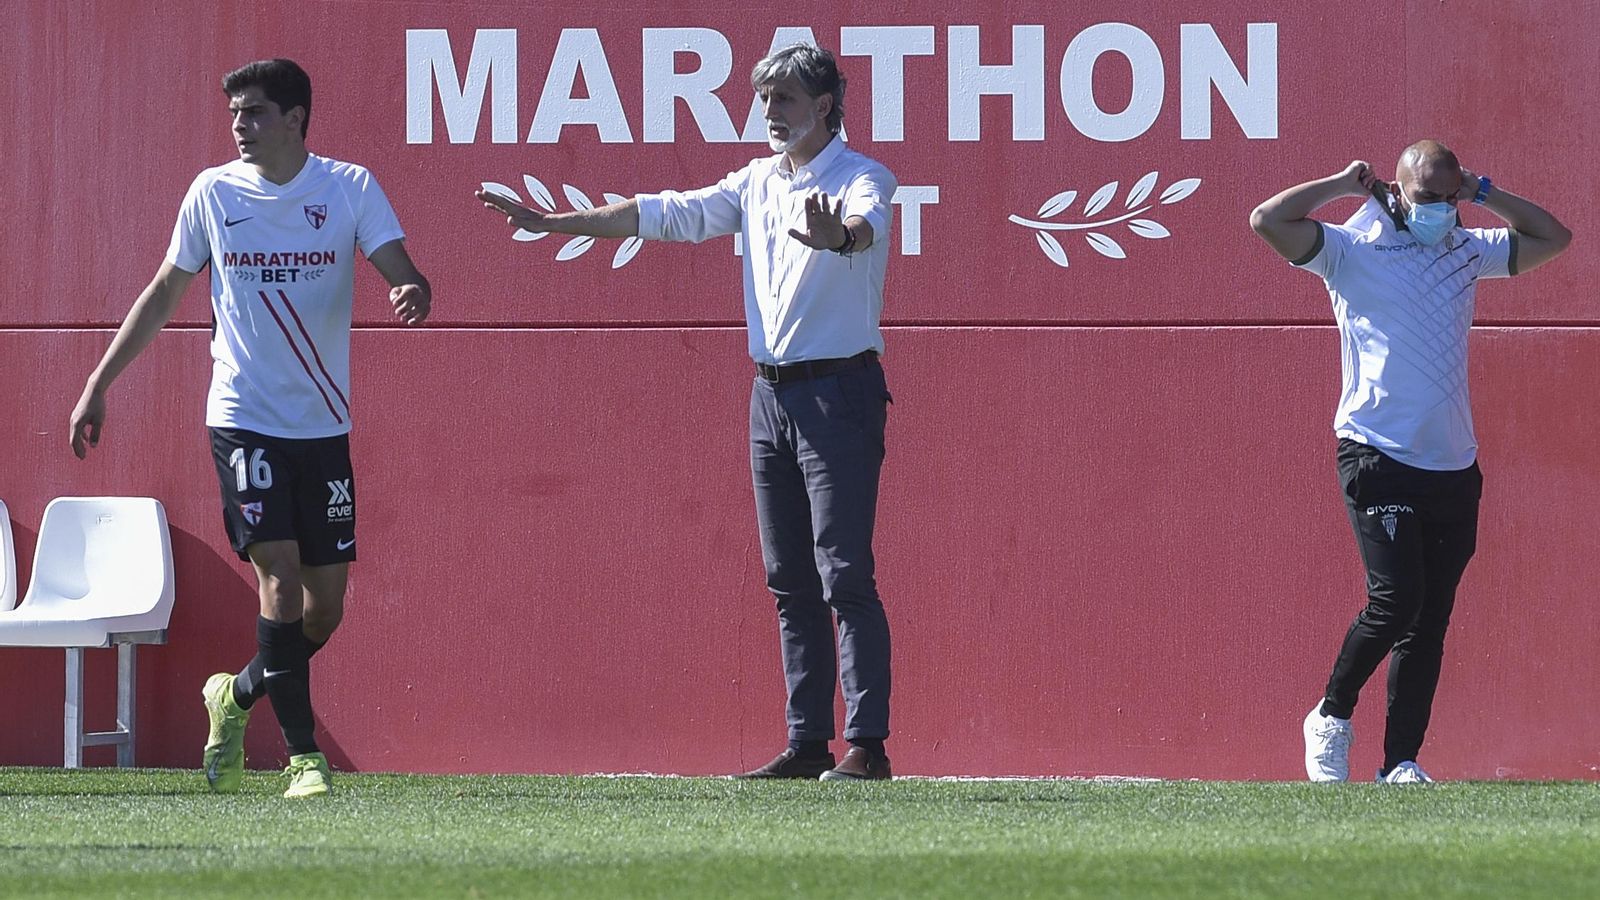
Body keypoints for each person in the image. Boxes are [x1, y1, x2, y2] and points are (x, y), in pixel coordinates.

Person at [478, 43, 898, 781]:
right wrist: (555, 224)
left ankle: (867, 745)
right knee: (787, 578)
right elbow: (664, 215)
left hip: (839, 394)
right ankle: (807, 744)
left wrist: (837, 237)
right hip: (770, 395)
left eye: (786, 101)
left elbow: (860, 227)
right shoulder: (756, 182)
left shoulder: (863, 176)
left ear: (825, 106)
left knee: (844, 573)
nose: (770, 114)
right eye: (765, 100)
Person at [69, 58, 432, 798]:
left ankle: (232, 696)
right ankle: (304, 758)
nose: (240, 125)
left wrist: (410, 285)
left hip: (323, 427)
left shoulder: (348, 187)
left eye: (256, 112)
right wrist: (98, 382)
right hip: (243, 421)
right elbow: (165, 290)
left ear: (296, 118)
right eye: (235, 113)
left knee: (324, 608)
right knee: (279, 578)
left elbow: (401, 264)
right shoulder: (212, 193)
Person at [1250, 142, 1570, 783]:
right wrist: (1341, 185)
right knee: (1395, 600)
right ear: (1396, 193)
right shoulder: (1349, 249)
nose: (1440, 210)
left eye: (1450, 197)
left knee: (1429, 621)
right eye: (1428, 197)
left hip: (1453, 463)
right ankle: (1331, 716)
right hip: (1375, 451)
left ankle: (1400, 763)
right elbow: (1268, 220)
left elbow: (1552, 238)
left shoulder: (1466, 248)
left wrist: (1484, 193)